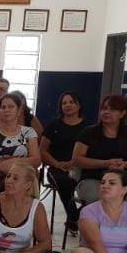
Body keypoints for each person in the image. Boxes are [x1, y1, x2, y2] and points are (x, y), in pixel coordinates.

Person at [73, 95, 127, 204]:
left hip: (123, 181)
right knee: (101, 198)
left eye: (112, 109)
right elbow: (76, 159)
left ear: (122, 113)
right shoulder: (88, 133)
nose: (106, 112)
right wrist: (105, 163)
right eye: (104, 109)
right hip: (93, 179)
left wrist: (125, 164)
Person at [0, 94, 41, 196]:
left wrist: (14, 163)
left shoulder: (29, 132)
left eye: (11, 107)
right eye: (3, 107)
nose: (6, 110)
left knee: (21, 190)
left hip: (23, 178)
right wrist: (0, 167)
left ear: (19, 110)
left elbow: (36, 160)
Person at [42, 92, 87, 232]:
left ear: (78, 105)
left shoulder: (88, 127)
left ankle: (77, 217)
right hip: (57, 168)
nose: (67, 105)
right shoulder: (53, 125)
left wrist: (75, 164)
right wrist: (57, 164)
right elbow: (42, 150)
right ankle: (74, 217)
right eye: (64, 103)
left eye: (71, 102)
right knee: (65, 182)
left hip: (81, 168)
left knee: (98, 186)